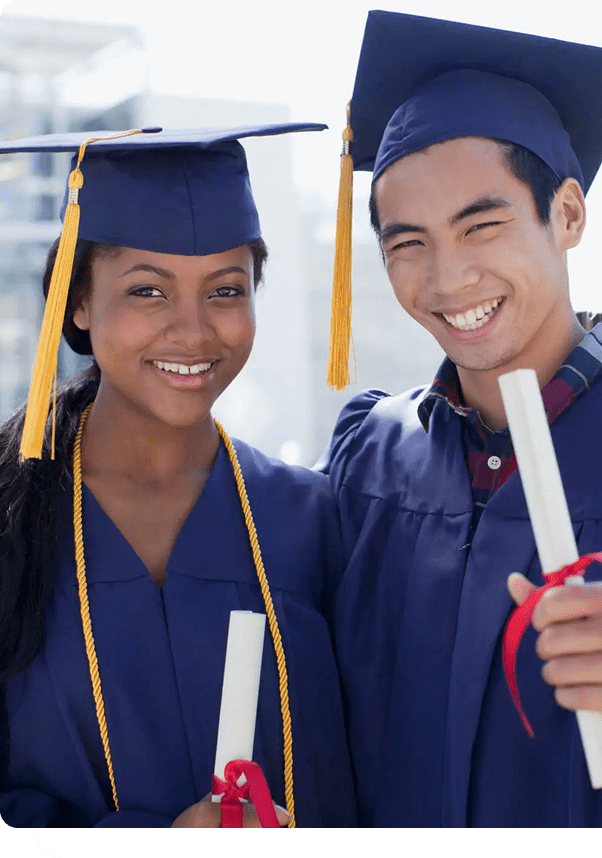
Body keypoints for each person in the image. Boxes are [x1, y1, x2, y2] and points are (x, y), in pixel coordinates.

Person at [319, 11, 602, 828]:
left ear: (566, 214)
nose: (448, 276)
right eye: (407, 243)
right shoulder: (372, 458)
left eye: (482, 225)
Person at [0, 126, 356, 828]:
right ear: (78, 302)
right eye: (148, 292)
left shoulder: (313, 520)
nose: (193, 331)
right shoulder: (7, 512)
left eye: (225, 289)